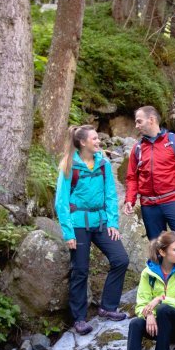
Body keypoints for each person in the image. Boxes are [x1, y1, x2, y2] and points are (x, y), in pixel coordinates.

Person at [54, 124, 129, 335]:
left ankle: (107, 307)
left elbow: (111, 195)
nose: (98, 142)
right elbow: (61, 202)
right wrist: (68, 233)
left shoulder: (103, 163)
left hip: (101, 221)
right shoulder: (69, 165)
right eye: (94, 139)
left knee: (120, 259)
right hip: (78, 224)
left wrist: (113, 223)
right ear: (83, 142)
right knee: (80, 269)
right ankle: (79, 318)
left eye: (98, 138)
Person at [123, 106, 175, 260]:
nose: (136, 125)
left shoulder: (174, 141)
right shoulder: (137, 148)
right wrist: (130, 200)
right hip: (149, 206)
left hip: (174, 201)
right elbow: (132, 177)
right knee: (157, 249)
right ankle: (164, 282)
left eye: (139, 121)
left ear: (151, 120)